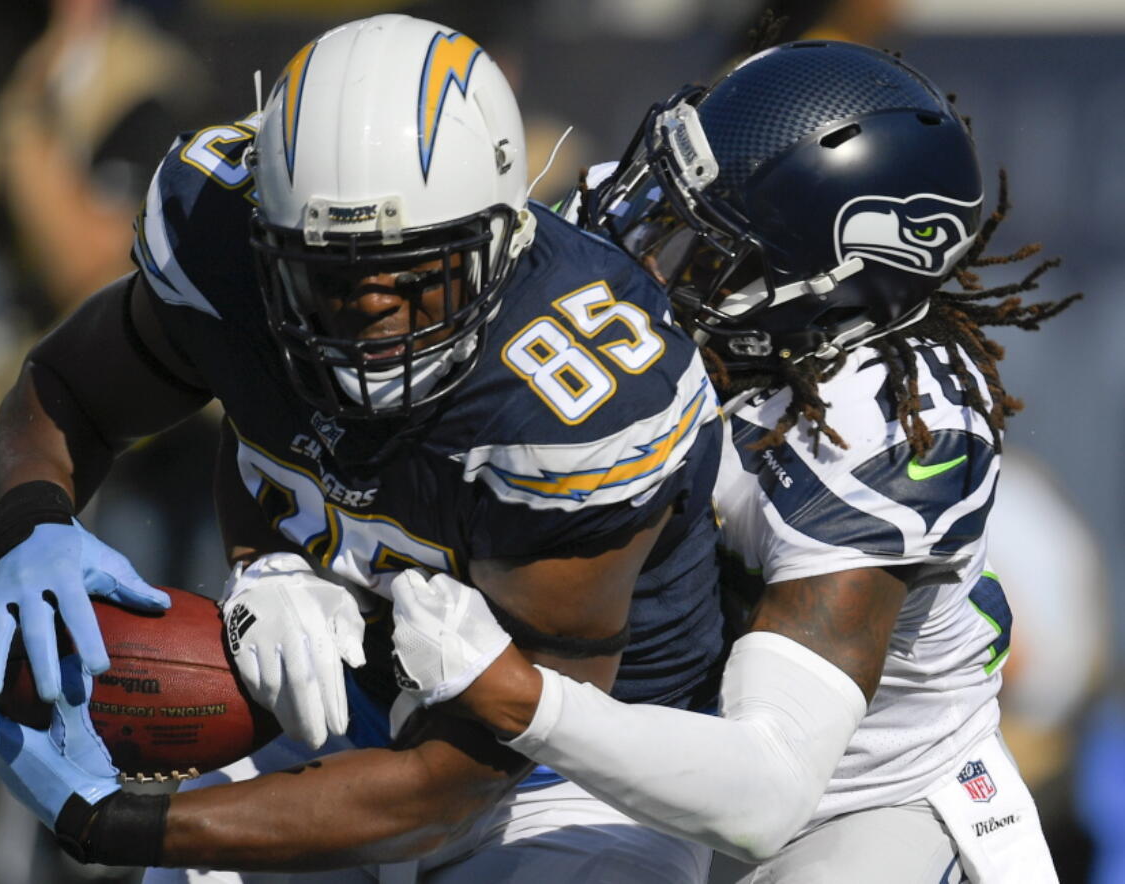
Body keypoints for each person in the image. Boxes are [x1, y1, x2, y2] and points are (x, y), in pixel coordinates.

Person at [0, 13, 726, 882]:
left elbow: (451, 787)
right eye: (329, 272)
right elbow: (71, 389)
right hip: (355, 704)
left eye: (415, 269)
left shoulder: (575, 404)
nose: (370, 303)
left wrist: (122, 825)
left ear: (502, 238)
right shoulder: (222, 241)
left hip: (569, 774)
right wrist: (37, 525)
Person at [386, 40, 1079, 883]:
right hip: (608, 745)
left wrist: (513, 695)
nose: (636, 250)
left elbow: (766, 782)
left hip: (845, 798)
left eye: (695, 249)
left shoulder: (887, 432)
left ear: (823, 294)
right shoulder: (636, 227)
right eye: (658, 206)